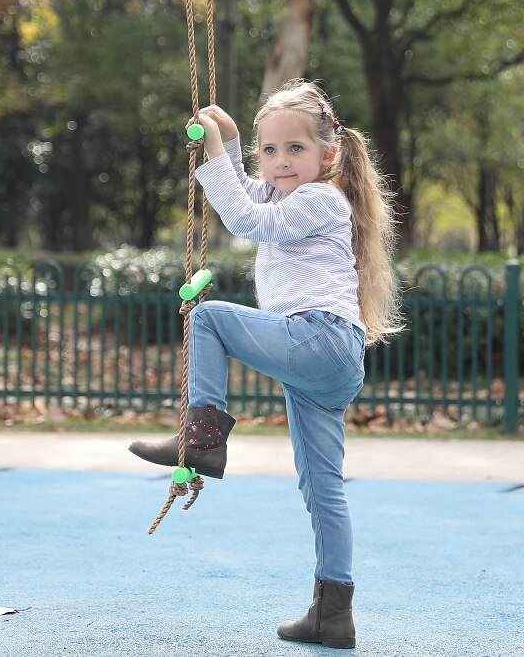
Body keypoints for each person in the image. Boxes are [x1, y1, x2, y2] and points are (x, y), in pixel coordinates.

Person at [128, 79, 403, 649]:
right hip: (326, 359)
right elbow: (249, 195)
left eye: (295, 149)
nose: (280, 162)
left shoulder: (322, 199)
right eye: (270, 150)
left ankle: (203, 437)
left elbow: (245, 220)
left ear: (329, 155)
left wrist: (212, 154)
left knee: (208, 319)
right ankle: (333, 615)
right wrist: (227, 142)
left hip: (317, 338)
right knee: (321, 486)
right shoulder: (288, 193)